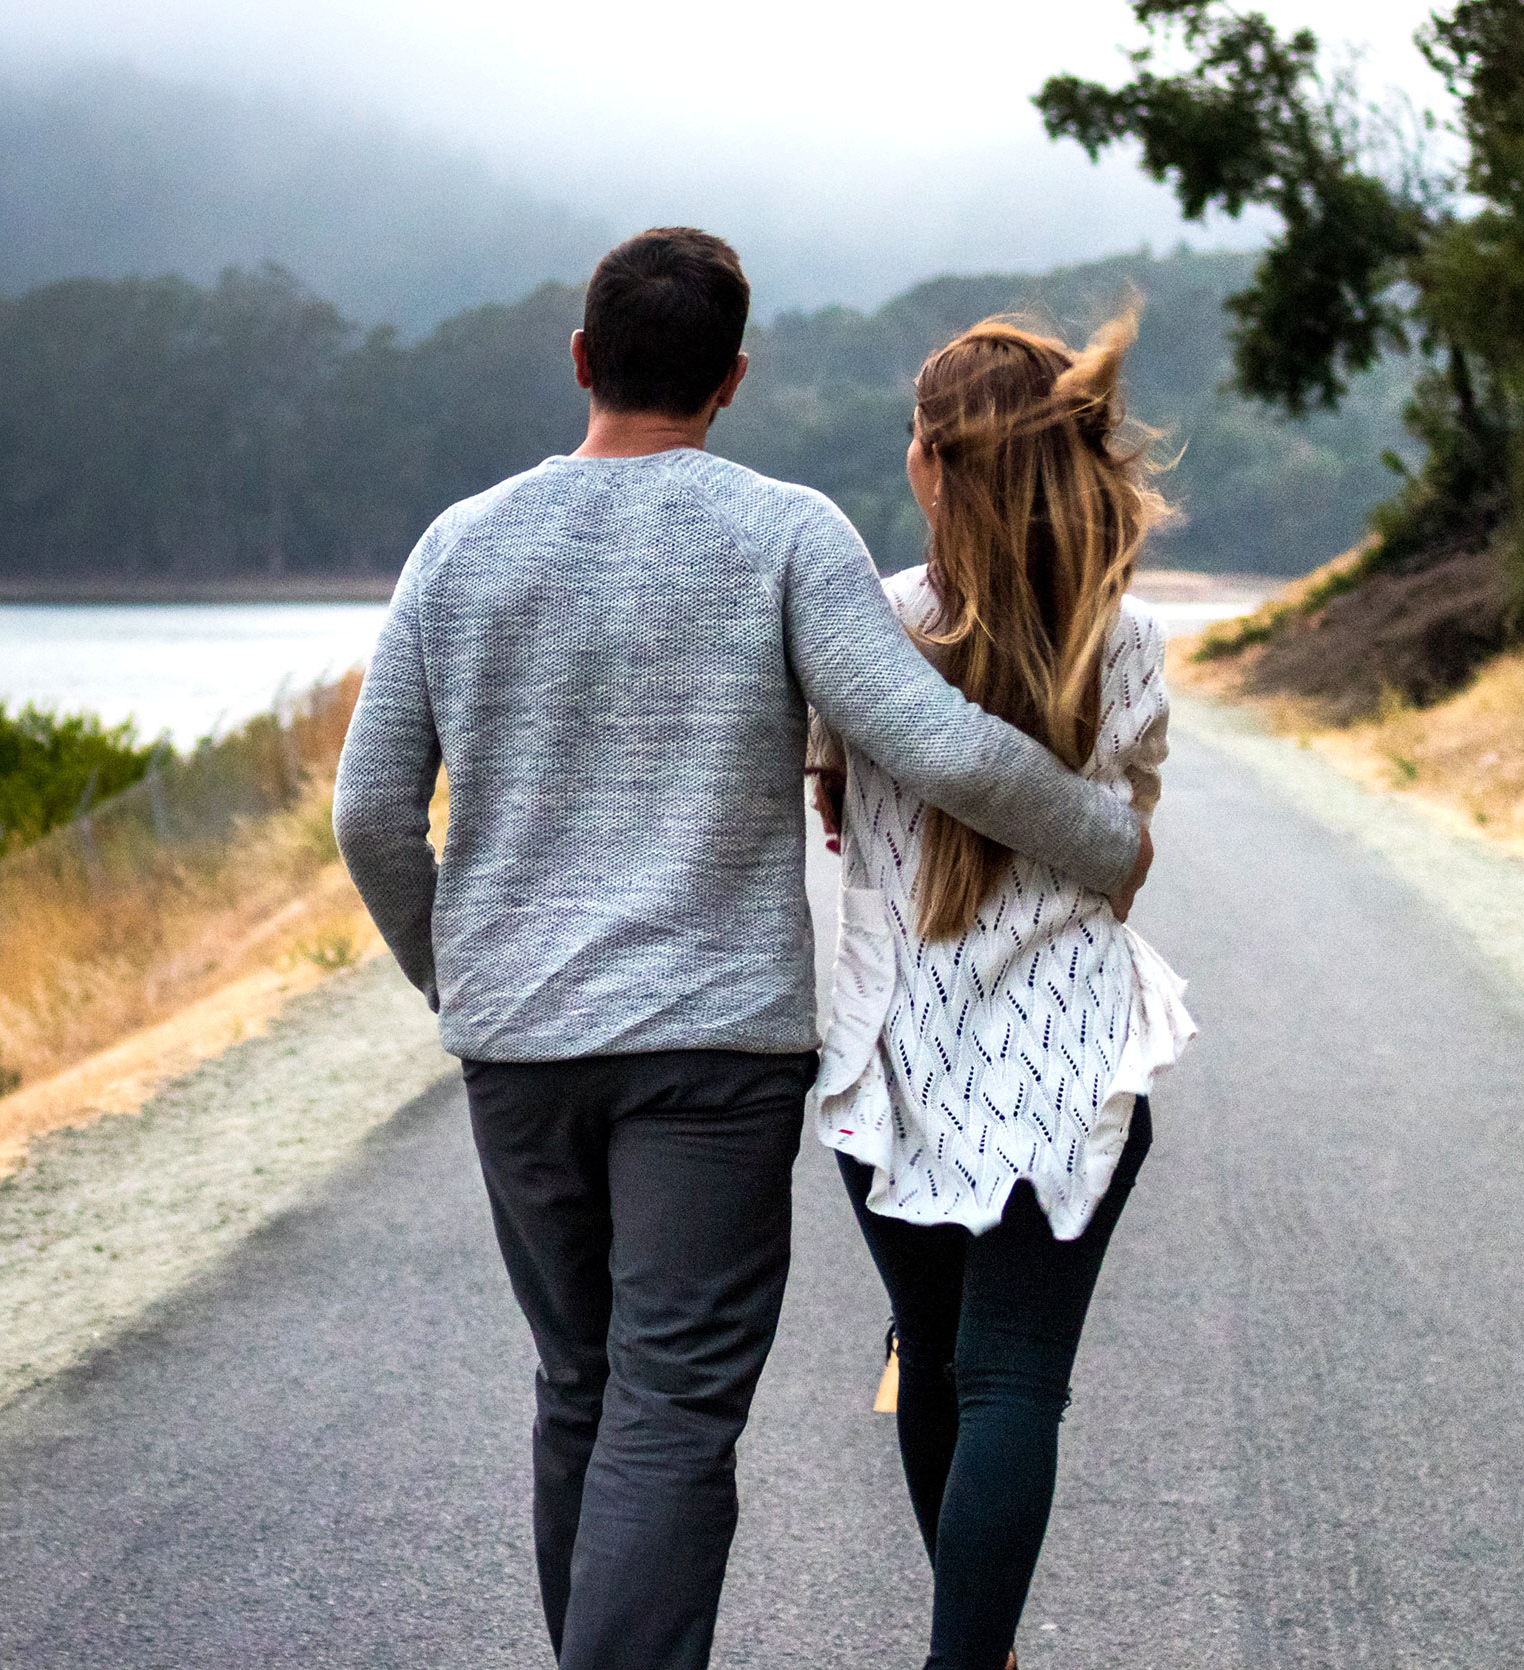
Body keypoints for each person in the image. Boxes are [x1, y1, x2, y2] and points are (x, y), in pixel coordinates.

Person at [332, 228, 1152, 1670]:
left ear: (583, 360)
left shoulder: (457, 544)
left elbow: (368, 809)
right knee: (670, 1401)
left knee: (579, 1384)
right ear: (733, 380)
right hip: (711, 1057)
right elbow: (930, 742)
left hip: (519, 1049)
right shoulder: (783, 532)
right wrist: (1107, 843)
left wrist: (452, 975)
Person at [809, 308, 1197, 1670]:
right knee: (1017, 1377)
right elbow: (1128, 849)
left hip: (895, 1065)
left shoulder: (866, 634)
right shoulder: (1125, 634)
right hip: (1071, 1055)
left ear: (928, 465)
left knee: (933, 1351)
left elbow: (836, 814)